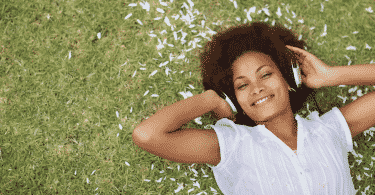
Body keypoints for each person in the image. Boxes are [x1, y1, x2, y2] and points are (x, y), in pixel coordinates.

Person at [132, 21, 357, 194]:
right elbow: (147, 135)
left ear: (290, 78)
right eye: (242, 85)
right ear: (234, 99)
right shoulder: (233, 146)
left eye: (266, 74)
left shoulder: (329, 129)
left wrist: (331, 76)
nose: (256, 88)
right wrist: (212, 99)